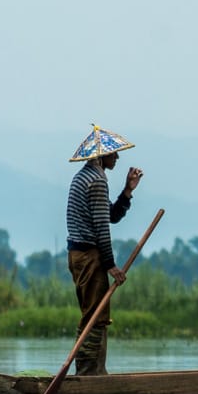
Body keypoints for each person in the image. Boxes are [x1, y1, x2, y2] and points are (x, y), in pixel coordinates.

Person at [66, 129, 144, 374]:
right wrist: (111, 264)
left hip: (79, 255)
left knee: (93, 313)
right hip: (89, 256)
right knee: (95, 317)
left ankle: (92, 372)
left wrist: (127, 191)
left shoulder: (85, 176)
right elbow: (101, 227)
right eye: (114, 154)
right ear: (102, 156)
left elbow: (109, 215)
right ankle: (89, 375)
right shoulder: (96, 180)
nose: (117, 159)